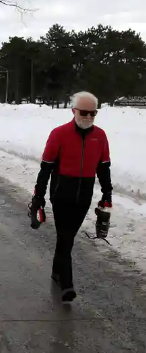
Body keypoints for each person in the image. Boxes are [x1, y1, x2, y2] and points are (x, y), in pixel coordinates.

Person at [30, 91, 113, 303]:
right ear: (73, 111)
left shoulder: (100, 136)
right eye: (84, 113)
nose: (88, 117)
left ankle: (57, 272)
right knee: (65, 237)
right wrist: (38, 195)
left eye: (93, 113)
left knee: (67, 238)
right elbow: (46, 168)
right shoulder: (59, 134)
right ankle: (67, 284)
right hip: (61, 193)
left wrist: (107, 194)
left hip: (84, 195)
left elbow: (103, 168)